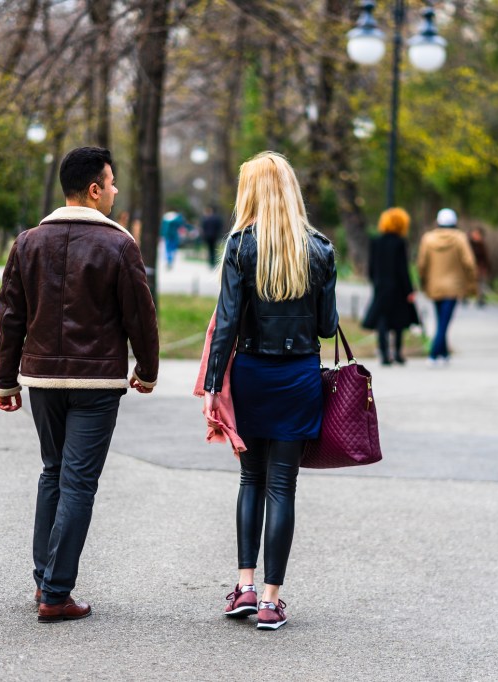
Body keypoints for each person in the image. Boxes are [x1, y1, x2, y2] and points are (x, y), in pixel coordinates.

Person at [0, 146, 160, 623]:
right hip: (96, 381)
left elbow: (10, 317)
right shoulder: (120, 245)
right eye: (110, 183)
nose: (114, 191)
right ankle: (56, 592)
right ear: (92, 190)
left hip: (42, 379)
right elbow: (140, 316)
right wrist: (146, 370)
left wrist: (5, 382)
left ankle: (44, 577)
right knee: (79, 483)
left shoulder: (27, 243)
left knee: (53, 472)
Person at [203, 151, 338, 631]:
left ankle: (242, 585)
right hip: (298, 376)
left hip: (252, 375)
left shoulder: (240, 246)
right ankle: (270, 599)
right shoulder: (319, 248)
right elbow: (326, 326)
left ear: (252, 191)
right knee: (283, 486)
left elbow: (226, 324)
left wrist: (213, 384)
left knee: (250, 481)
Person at [417, 208, 477, 366]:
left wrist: (423, 281)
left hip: (434, 285)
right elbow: (469, 263)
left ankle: (443, 353)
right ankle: (434, 353)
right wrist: (471, 283)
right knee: (444, 321)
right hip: (454, 286)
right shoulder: (460, 238)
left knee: (441, 319)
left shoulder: (428, 239)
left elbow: (422, 264)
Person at [362, 207, 419, 365]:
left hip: (381, 286)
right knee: (399, 321)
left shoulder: (375, 241)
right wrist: (409, 289)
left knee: (382, 320)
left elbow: (371, 267)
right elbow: (403, 269)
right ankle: (398, 353)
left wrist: (375, 282)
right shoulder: (400, 243)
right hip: (397, 287)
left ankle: (384, 353)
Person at [467, 226, 490, 308]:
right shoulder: (469, 243)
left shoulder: (481, 244)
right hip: (470, 266)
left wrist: (486, 267)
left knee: (480, 283)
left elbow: (485, 257)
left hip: (480, 266)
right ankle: (466, 296)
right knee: (470, 282)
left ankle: (480, 298)